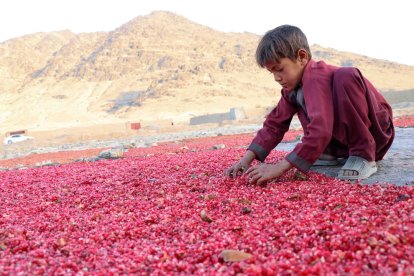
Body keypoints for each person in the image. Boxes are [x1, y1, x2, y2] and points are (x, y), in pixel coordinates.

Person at [225, 25, 394, 185]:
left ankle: (363, 155)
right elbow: (274, 125)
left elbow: (321, 128)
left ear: (302, 57)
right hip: (340, 144)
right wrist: (245, 160)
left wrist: (278, 168)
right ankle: (329, 152)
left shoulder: (316, 76)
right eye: (272, 73)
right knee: (299, 97)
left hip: (375, 133)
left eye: (280, 69)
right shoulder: (292, 89)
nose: (277, 78)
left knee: (346, 75)